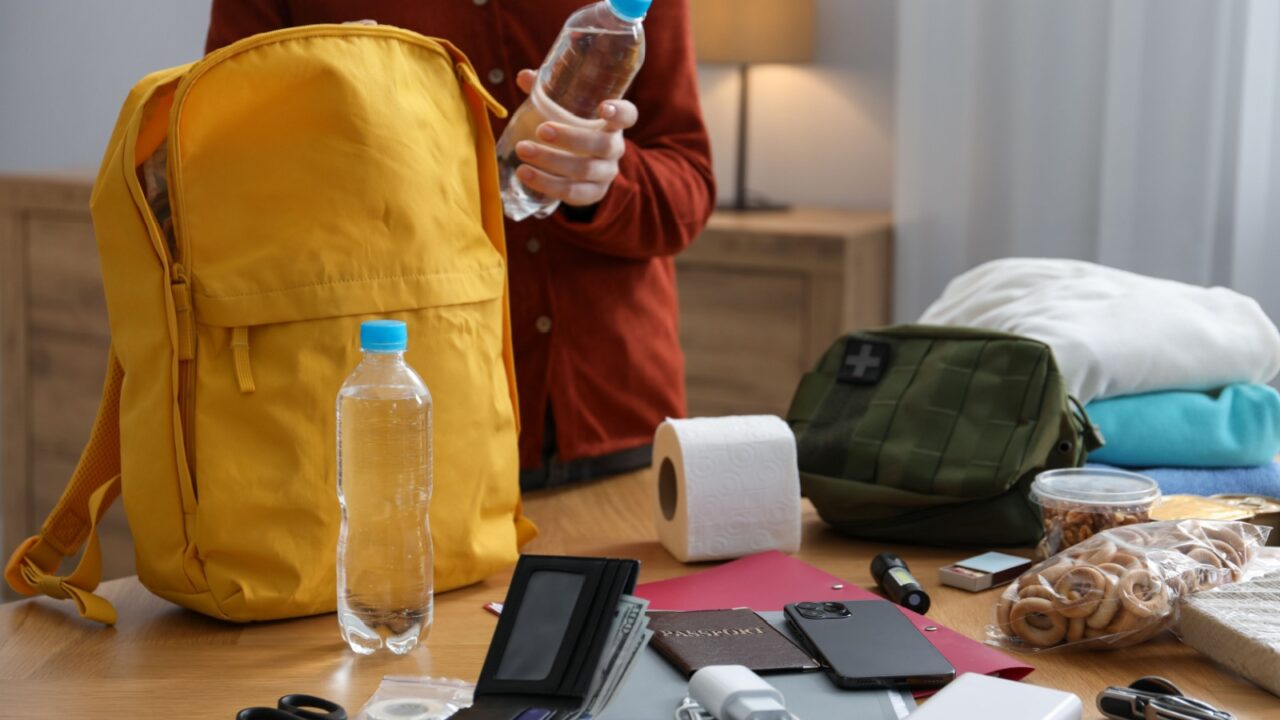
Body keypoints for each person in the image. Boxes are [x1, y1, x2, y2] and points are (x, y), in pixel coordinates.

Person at [207, 1, 716, 490]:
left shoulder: (628, 23)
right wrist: (319, 104)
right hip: (388, 421)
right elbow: (217, 166)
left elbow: (688, 188)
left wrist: (602, 182)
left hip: (611, 423)